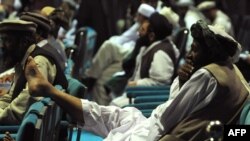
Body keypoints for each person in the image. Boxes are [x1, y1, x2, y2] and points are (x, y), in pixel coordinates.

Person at [24, 20, 249, 141]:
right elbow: (179, 108)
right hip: (154, 122)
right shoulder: (229, 70)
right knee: (112, 114)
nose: (189, 55)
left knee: (111, 118)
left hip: (154, 133)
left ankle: (49, 90)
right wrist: (182, 80)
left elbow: (167, 120)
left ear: (211, 53)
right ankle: (49, 90)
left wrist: (134, 136)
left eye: (196, 50)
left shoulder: (207, 75)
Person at [82, 3, 156, 105]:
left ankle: (90, 76)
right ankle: (91, 77)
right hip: (130, 56)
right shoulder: (139, 26)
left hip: (130, 60)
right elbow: (125, 38)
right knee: (101, 78)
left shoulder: (147, 29)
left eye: (139, 15)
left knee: (108, 46)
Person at [0, 18, 67, 124]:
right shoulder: (22, 59)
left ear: (24, 42)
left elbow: (20, 109)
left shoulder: (38, 62)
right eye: (2, 41)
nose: (2, 46)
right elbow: (11, 96)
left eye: (8, 41)